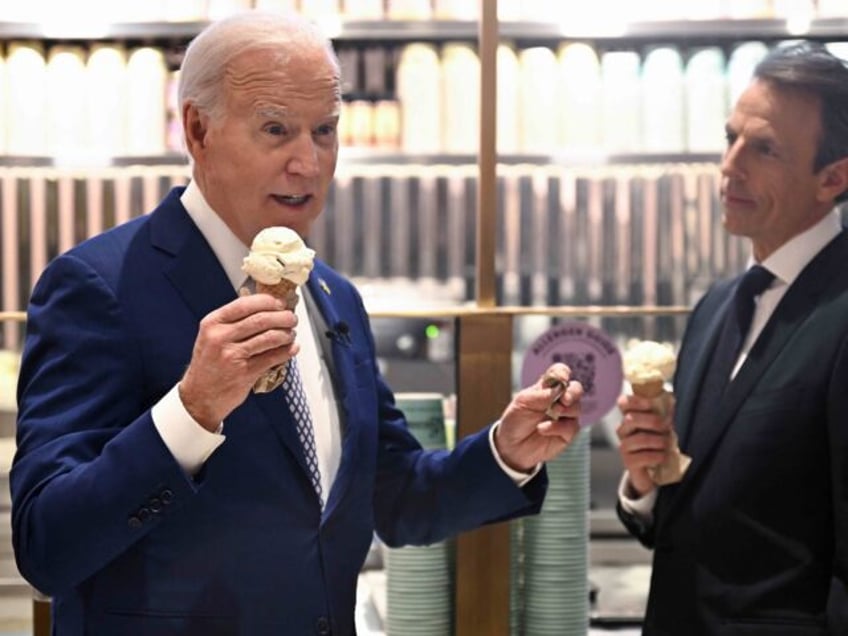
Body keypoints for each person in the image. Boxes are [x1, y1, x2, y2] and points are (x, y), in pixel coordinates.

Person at [10, 11, 584, 636]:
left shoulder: (333, 296)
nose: (308, 163)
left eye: (326, 130)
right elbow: (48, 547)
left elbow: (392, 495)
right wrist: (192, 410)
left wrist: (505, 453)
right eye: (276, 129)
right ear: (198, 131)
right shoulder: (99, 286)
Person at [615, 41, 848, 635]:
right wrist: (645, 480)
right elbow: (692, 515)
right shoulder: (717, 307)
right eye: (730, 138)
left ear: (834, 178)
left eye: (764, 149)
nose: (730, 165)